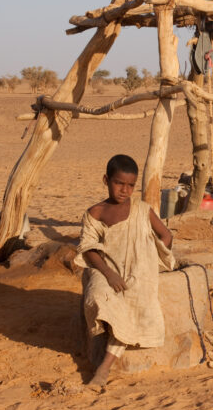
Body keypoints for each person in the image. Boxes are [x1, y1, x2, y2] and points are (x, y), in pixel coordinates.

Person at [74, 154, 175, 388]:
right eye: (119, 183)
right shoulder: (95, 213)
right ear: (106, 180)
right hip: (107, 266)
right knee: (98, 297)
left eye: (131, 185)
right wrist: (109, 274)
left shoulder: (142, 209)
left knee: (133, 301)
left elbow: (166, 235)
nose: (125, 190)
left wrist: (154, 256)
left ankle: (103, 369)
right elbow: (88, 249)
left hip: (140, 268)